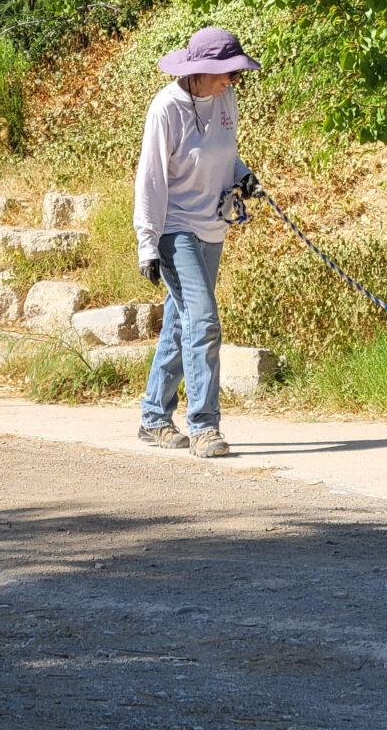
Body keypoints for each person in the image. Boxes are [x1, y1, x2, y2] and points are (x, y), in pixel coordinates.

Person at [133, 26, 261, 458]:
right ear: (202, 71)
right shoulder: (165, 109)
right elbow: (150, 178)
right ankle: (204, 426)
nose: (235, 80)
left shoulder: (225, 98)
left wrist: (241, 173)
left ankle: (153, 417)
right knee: (203, 323)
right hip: (175, 228)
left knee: (180, 324)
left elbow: (223, 150)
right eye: (229, 73)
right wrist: (147, 243)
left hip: (213, 226)